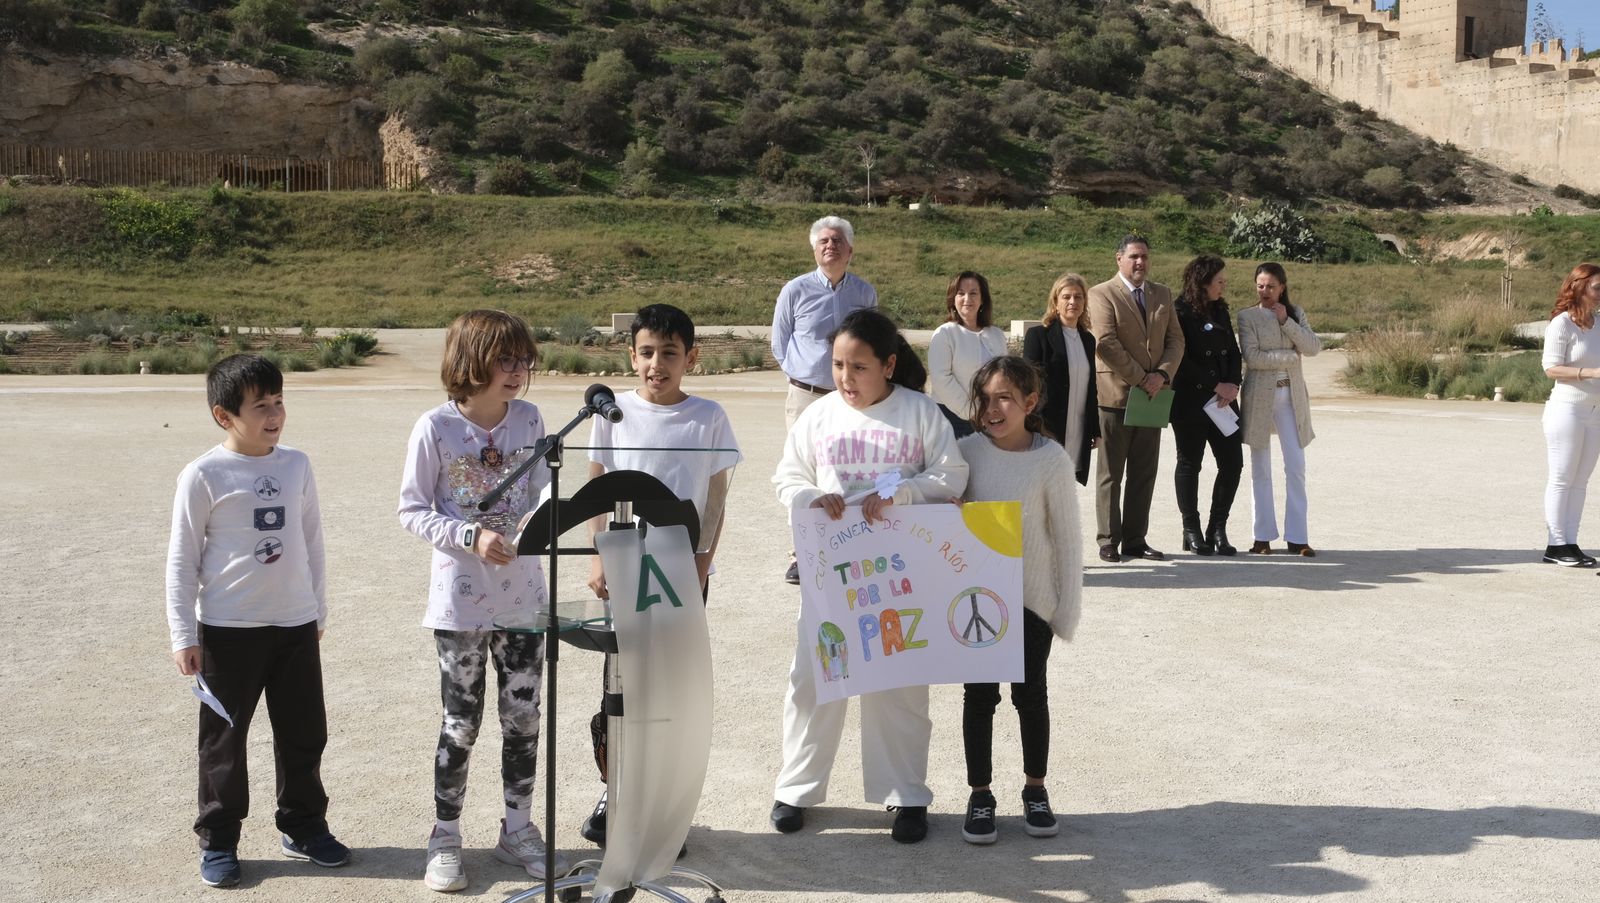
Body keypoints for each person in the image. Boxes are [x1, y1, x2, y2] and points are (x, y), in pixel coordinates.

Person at [770, 308, 968, 845]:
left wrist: (903, 492)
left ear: (888, 365)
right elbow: (788, 478)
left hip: (901, 577)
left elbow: (953, 474)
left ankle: (905, 794)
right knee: (815, 679)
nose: (845, 378)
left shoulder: (921, 413)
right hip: (832, 576)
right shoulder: (818, 416)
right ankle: (797, 789)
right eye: (837, 365)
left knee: (900, 684)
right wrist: (813, 496)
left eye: (858, 366)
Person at [397, 309, 566, 892]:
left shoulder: (532, 420)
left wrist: (542, 519)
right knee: (460, 723)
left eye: (524, 360)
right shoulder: (435, 428)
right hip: (460, 603)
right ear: (470, 360)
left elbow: (545, 488)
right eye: (505, 359)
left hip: (523, 600)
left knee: (523, 717)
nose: (518, 371)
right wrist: (469, 535)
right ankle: (445, 836)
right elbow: (412, 509)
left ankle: (517, 829)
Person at [166, 353, 350, 888]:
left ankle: (304, 825)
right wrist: (184, 634)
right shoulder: (203, 474)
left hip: (294, 623)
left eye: (278, 402)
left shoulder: (295, 464)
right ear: (224, 416)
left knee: (303, 733)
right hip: (227, 629)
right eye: (260, 406)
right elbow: (182, 558)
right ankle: (219, 839)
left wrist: (316, 607)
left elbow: (311, 539)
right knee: (224, 742)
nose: (274, 415)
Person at [579, 302, 743, 847]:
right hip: (625, 558)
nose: (657, 364)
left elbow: (717, 498)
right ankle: (615, 789)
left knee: (669, 688)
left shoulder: (708, 417)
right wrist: (599, 553)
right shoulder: (612, 414)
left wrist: (700, 564)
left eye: (669, 353)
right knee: (619, 684)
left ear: (690, 357)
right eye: (647, 352)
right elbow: (597, 484)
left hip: (680, 566)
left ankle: (664, 804)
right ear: (631, 356)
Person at [955, 356, 1082, 846]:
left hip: (1032, 602)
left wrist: (1063, 610)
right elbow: (938, 509)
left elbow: (1067, 541)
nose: (993, 407)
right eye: (985, 398)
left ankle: (1036, 789)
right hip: (977, 604)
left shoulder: (1049, 459)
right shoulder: (964, 452)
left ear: (1029, 403)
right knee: (979, 697)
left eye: (1005, 397)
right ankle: (980, 793)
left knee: (1031, 697)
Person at [771, 215, 878, 584]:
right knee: (803, 471)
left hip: (851, 399)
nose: (830, 246)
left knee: (851, 470)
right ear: (814, 249)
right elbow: (779, 342)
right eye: (824, 242)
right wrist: (799, 373)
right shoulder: (794, 290)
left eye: (837, 241)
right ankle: (800, 553)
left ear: (850, 250)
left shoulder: (864, 294)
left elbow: (874, 341)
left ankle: (847, 547)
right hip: (806, 395)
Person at [1087, 235, 1185, 563]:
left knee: (1144, 472)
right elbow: (1106, 343)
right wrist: (1142, 378)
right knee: (1110, 473)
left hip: (1153, 396)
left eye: (1144, 256)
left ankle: (1135, 539)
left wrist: (1162, 376)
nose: (1140, 262)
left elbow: (1176, 341)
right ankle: (1108, 540)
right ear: (1119, 259)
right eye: (1133, 257)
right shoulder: (1100, 294)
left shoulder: (1162, 294)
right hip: (1115, 396)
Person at [1238, 263, 1321, 556]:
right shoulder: (1247, 316)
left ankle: (1298, 537)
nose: (1265, 292)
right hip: (1260, 396)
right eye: (1260, 286)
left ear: (1282, 287)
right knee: (1260, 468)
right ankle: (1262, 536)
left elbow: (1312, 348)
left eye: (1271, 286)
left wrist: (1287, 321)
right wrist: (1289, 356)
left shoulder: (1295, 313)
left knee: (1296, 465)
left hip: (1292, 396)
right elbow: (1252, 357)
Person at [1170, 255, 1244, 556]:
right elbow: (1181, 359)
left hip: (1223, 403)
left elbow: (1234, 352)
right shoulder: (1180, 311)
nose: (1223, 285)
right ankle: (1192, 529)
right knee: (1190, 464)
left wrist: (1232, 385)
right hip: (1190, 401)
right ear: (1202, 282)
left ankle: (1217, 529)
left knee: (1232, 464)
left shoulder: (1221, 310)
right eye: (1218, 281)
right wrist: (1214, 385)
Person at [1539, 263, 1600, 568]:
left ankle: (1571, 544)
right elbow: (1551, 368)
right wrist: (1591, 372)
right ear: (1578, 287)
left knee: (1581, 481)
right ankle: (1555, 544)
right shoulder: (1561, 324)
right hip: (1566, 410)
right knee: (1562, 478)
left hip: (1594, 412)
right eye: (1597, 287)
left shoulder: (1599, 324)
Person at [1024, 273, 1100, 485]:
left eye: (1078, 297)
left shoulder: (1088, 340)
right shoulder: (1038, 336)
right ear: (1055, 302)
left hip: (1078, 427)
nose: (1073, 302)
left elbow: (1091, 386)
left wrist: (1095, 428)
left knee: (1066, 485)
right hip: (1047, 427)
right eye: (1066, 297)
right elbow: (1028, 385)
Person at [928, 271, 1009, 438]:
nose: (967, 299)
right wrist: (971, 412)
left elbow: (1005, 376)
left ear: (982, 299)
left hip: (991, 418)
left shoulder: (996, 335)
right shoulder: (945, 333)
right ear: (953, 299)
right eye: (961, 293)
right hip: (953, 417)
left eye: (973, 293)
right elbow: (941, 377)